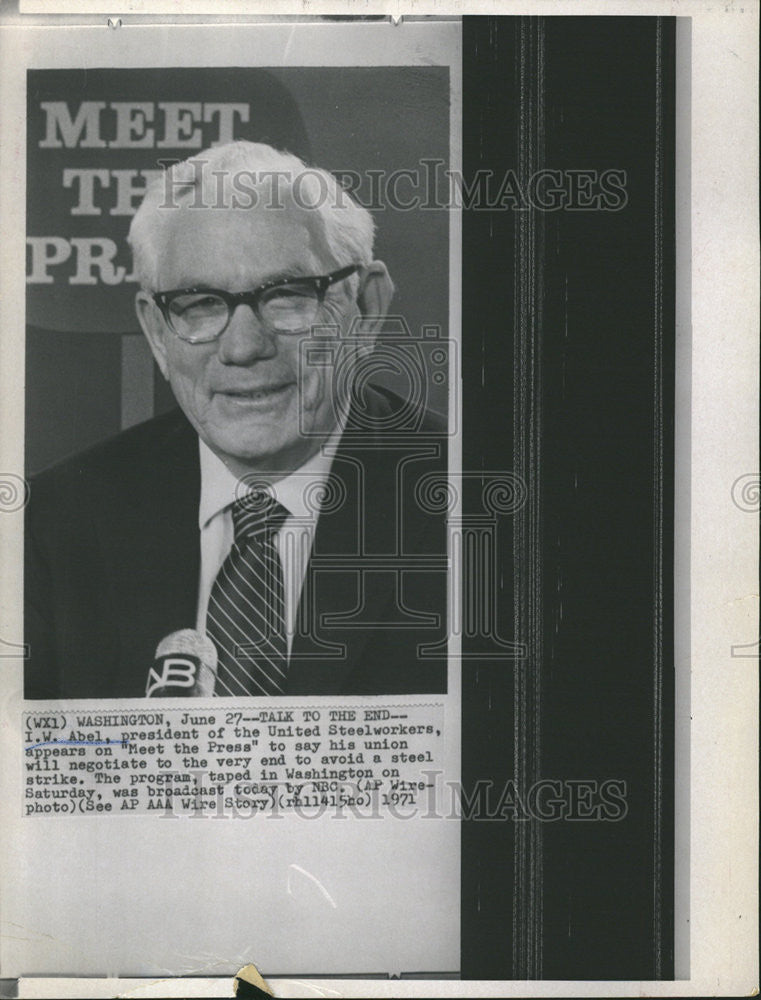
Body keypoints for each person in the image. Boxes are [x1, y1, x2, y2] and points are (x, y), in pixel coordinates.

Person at [24, 141, 448, 699]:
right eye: (198, 304)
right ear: (156, 332)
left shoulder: (479, 500)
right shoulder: (53, 525)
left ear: (365, 309)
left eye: (288, 296)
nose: (244, 348)